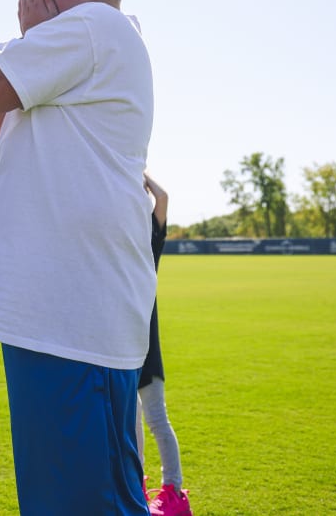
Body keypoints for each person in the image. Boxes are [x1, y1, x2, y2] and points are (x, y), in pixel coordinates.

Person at [0, 0, 156, 515]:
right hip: (62, 317)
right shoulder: (80, 41)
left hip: (72, 321)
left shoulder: (94, 26)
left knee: (85, 503)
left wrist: (24, 37)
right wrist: (31, 40)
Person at [138, 173, 192, 516]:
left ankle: (174, 493)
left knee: (156, 418)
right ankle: (136, 487)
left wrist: (139, 175)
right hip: (118, 346)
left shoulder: (148, 245)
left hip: (146, 347)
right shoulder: (115, 247)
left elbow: (163, 198)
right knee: (130, 424)